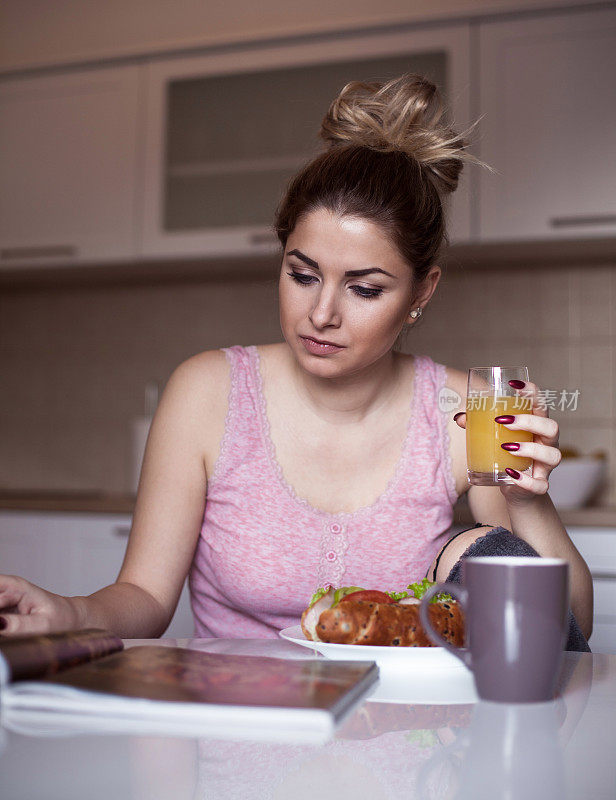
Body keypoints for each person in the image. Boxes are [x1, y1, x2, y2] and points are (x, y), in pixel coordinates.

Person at [0, 74, 592, 643]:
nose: (322, 314)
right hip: (234, 731)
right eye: (302, 275)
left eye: (364, 289)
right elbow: (146, 597)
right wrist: (70, 610)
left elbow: (568, 627)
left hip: (403, 738)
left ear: (421, 292)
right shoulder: (208, 392)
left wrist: (528, 503)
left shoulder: (463, 408)